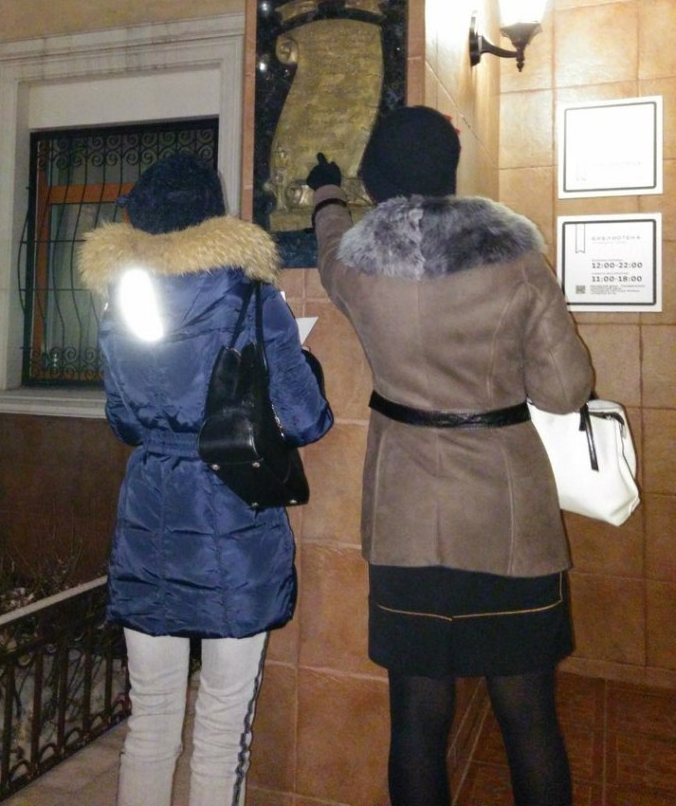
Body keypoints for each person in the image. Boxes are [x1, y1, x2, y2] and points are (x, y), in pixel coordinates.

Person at [305, 106, 593, 806]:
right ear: (450, 170)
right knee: (528, 717)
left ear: (377, 179)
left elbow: (331, 245)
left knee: (416, 719)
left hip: (407, 523)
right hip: (509, 523)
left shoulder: (357, 270)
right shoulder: (517, 259)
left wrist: (326, 193)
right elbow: (565, 391)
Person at [79, 152, 333, 806]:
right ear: (211, 216)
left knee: (151, 718)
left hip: (149, 517)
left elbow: (123, 422)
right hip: (233, 522)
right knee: (223, 724)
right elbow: (308, 419)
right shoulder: (250, 296)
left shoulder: (119, 298)